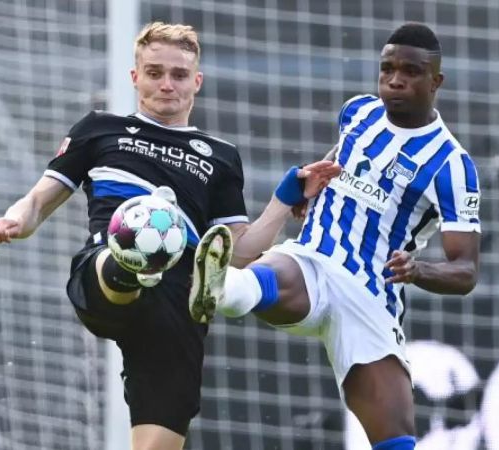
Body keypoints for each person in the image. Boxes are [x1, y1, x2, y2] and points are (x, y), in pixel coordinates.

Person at [0, 22, 340, 450]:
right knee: (135, 237)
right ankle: (133, 267)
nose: (166, 84)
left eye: (179, 75)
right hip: (106, 267)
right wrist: (15, 220)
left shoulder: (220, 157)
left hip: (180, 296)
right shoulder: (99, 129)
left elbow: (238, 254)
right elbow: (39, 201)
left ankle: (171, 279)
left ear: (196, 82)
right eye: (154, 73)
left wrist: (286, 197)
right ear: (135, 77)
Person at [189, 23, 481, 450]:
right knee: (266, 276)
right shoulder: (358, 112)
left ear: (436, 81)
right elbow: (336, 161)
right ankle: (217, 286)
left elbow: (466, 270)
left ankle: (223, 285)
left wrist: (419, 270)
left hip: (370, 298)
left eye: (411, 72)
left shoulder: (452, 165)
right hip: (314, 260)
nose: (395, 79)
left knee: (396, 438)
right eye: (387, 69)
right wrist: (312, 182)